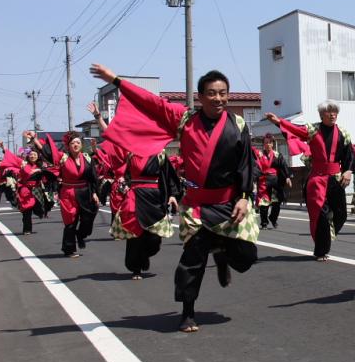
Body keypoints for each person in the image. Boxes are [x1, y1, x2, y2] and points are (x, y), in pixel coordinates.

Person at [90, 63, 259, 333]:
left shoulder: (237, 124)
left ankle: (224, 251)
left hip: (230, 202)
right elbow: (150, 102)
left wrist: (243, 197)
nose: (219, 99)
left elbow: (246, 163)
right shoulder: (185, 120)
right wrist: (116, 80)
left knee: (247, 257)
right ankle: (187, 313)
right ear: (200, 96)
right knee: (192, 261)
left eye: (223, 93)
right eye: (212, 93)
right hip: (198, 207)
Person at [90, 105, 182, 279]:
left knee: (154, 239)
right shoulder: (130, 151)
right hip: (135, 195)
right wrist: (98, 117)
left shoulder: (160, 154)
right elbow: (113, 134)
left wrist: (172, 195)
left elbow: (170, 177)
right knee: (136, 233)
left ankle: (145, 255)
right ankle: (136, 268)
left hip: (155, 197)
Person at [265, 101, 355, 261]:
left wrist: (348, 170)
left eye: (335, 111)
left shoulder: (343, 132)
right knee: (320, 215)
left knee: (341, 214)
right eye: (329, 112)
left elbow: (350, 155)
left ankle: (328, 233)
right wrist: (279, 122)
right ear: (322, 115)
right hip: (317, 178)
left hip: (335, 178)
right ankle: (321, 251)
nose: (333, 114)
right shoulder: (313, 129)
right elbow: (295, 130)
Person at [30, 130, 100, 257]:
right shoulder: (63, 157)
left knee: (88, 219)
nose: (76, 145)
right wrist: (35, 139)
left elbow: (93, 177)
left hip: (85, 192)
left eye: (78, 142)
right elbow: (49, 153)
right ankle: (69, 249)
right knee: (71, 222)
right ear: (68, 145)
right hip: (68, 193)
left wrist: (94, 192)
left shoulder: (87, 157)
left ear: (81, 145)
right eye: (73, 143)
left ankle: (80, 235)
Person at [0, 139, 54, 234]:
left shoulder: (42, 165)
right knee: (27, 211)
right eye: (31, 154)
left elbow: (50, 173)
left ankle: (38, 212)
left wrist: (39, 171)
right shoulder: (23, 163)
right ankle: (27, 229)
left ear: (38, 156)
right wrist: (3, 147)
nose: (33, 156)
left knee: (38, 209)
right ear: (28, 156)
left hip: (37, 190)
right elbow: (12, 157)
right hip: (25, 190)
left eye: (35, 154)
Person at [253, 133, 292, 229]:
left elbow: (283, 166)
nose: (268, 144)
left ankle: (273, 218)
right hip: (264, 181)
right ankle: (264, 223)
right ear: (263, 144)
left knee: (277, 201)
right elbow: (250, 150)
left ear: (273, 144)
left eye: (270, 142)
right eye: (266, 143)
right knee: (264, 203)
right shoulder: (260, 154)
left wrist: (287, 177)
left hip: (275, 180)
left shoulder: (277, 155)